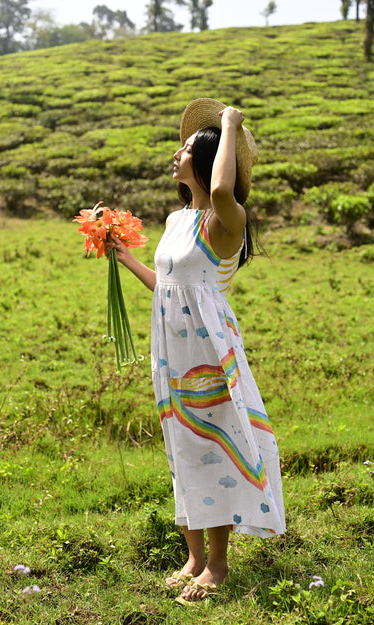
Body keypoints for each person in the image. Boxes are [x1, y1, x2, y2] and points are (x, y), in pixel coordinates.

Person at [105, 98, 285, 605]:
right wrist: (125, 258)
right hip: (172, 351)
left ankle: (220, 565)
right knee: (182, 444)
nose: (176, 151)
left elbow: (225, 187)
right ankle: (194, 558)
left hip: (209, 349)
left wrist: (229, 122)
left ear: (205, 160)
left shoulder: (224, 220)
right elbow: (166, 285)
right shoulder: (176, 219)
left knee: (213, 443)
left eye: (186, 147)